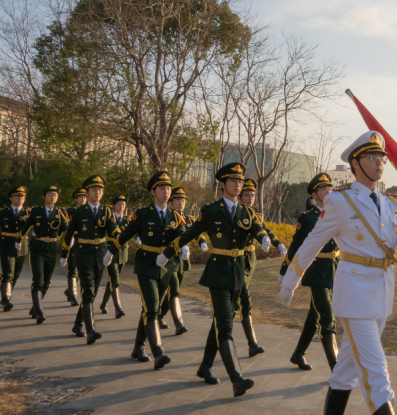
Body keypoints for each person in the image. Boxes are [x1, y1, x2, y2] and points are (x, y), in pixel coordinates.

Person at [280, 132, 397, 415]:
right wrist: (291, 279)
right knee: (377, 373)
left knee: (345, 370)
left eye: (382, 157)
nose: (380, 162)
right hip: (354, 294)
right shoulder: (339, 202)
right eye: (372, 157)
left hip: (381, 293)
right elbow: (312, 242)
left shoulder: (392, 204)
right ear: (355, 163)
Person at [160, 163, 276, 397]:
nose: (238, 185)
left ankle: (205, 367)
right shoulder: (212, 209)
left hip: (238, 274)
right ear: (222, 184)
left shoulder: (246, 211)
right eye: (233, 181)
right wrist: (167, 252)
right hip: (218, 274)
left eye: (240, 181)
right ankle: (237, 379)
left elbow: (256, 228)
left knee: (220, 323)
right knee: (225, 325)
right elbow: (191, 232)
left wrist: (264, 238)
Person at [104, 172, 185, 368]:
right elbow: (126, 234)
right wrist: (111, 251)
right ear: (153, 191)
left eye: (168, 188)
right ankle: (158, 352)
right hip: (146, 265)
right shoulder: (143, 214)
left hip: (166, 267)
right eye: (161, 188)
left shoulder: (175, 215)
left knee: (149, 308)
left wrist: (185, 245)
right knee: (152, 308)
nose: (166, 192)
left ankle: (138, 346)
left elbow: (182, 232)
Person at [279, 173, 340, 372]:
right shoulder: (308, 218)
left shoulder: (338, 213)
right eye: (324, 189)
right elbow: (296, 247)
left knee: (314, 315)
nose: (329, 191)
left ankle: (298, 354)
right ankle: (336, 369)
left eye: (330, 187)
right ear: (314, 195)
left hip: (335, 271)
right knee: (327, 318)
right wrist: (284, 273)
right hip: (315, 273)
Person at [60, 175, 121, 343]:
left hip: (101, 254)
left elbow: (112, 226)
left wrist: (117, 234)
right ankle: (91, 330)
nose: (98, 192)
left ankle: (77, 324)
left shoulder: (107, 210)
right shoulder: (79, 212)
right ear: (86, 192)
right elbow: (69, 233)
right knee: (87, 290)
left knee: (91, 294)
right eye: (94, 189)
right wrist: (64, 254)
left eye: (100, 189)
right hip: (84, 254)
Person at [237, 179, 283, 357]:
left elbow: (265, 230)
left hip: (250, 258)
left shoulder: (254, 215)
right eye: (246, 195)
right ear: (240, 197)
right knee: (244, 299)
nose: (250, 198)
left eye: (252, 195)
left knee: (236, 302)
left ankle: (222, 337)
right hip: (238, 258)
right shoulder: (238, 214)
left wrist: (277, 243)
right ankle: (252, 343)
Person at [22, 186, 68, 323]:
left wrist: (66, 243)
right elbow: (26, 227)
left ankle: (35, 307)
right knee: (38, 281)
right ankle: (40, 312)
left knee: (47, 282)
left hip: (52, 249)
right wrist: (19, 240)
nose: (53, 196)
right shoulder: (35, 211)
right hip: (37, 248)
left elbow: (66, 228)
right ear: (43, 197)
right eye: (49, 194)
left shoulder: (60, 212)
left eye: (55, 194)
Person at [159, 186, 193, 336]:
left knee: (174, 292)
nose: (181, 203)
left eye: (183, 200)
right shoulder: (167, 217)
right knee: (174, 290)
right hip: (170, 259)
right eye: (178, 200)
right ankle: (178, 323)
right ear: (171, 202)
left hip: (182, 261)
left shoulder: (187, 219)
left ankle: (159, 315)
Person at [99, 196, 129, 319]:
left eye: (123, 204)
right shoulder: (109, 218)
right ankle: (118, 308)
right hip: (110, 250)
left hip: (123, 252)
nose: (121, 206)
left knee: (113, 281)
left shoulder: (128, 220)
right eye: (118, 204)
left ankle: (103, 304)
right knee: (114, 280)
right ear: (113, 206)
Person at [0, 186, 28, 312]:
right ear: (11, 198)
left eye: (22, 196)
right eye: (17, 196)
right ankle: (6, 300)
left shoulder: (28, 213)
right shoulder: (3, 212)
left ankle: (6, 293)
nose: (20, 198)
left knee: (16, 272)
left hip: (22, 246)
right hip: (7, 244)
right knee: (8, 272)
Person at [64, 188, 87, 307]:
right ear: (76, 199)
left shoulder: (89, 211)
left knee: (83, 268)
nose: (83, 199)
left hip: (86, 243)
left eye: (84, 197)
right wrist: (70, 238)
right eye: (80, 197)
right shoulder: (70, 211)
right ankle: (73, 296)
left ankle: (69, 290)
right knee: (73, 268)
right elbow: (67, 227)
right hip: (74, 241)